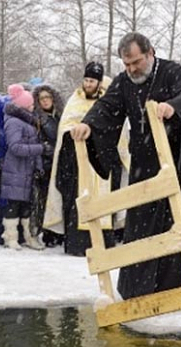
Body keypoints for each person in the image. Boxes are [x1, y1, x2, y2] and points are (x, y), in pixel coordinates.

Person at [70, 33, 181, 305]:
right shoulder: (124, 81)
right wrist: (88, 125)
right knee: (144, 220)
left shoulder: (172, 70)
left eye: (136, 62)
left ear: (150, 53)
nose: (131, 69)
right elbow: (106, 107)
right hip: (146, 161)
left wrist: (171, 107)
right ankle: (142, 286)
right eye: (126, 64)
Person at [44, 62, 127, 257]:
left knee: (104, 202)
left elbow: (118, 132)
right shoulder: (75, 101)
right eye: (87, 80)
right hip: (77, 163)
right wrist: (75, 134)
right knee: (78, 201)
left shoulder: (107, 103)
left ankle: (103, 242)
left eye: (92, 81)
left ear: (99, 83)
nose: (88, 84)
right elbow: (65, 128)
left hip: (103, 162)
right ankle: (78, 244)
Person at [0, 84, 49, 250]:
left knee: (27, 206)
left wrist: (39, 166)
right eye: (30, 104)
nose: (33, 106)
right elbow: (15, 147)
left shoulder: (28, 121)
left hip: (27, 170)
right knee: (14, 205)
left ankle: (29, 236)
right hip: (16, 170)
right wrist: (40, 148)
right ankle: (10, 237)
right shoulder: (14, 122)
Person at [32, 83, 64, 247]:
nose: (45, 101)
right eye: (41, 98)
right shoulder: (37, 118)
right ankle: (48, 234)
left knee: (59, 199)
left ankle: (59, 232)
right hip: (47, 164)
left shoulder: (60, 115)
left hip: (61, 163)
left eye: (48, 97)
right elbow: (38, 142)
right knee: (46, 200)